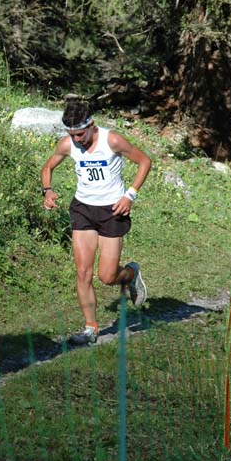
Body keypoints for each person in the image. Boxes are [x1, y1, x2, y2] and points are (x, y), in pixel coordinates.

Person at [41, 95, 152, 344]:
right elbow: (47, 167)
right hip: (83, 209)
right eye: (72, 135)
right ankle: (90, 328)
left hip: (112, 211)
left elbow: (145, 161)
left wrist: (130, 195)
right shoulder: (68, 144)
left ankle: (130, 275)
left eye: (80, 134)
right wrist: (47, 191)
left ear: (92, 125)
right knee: (83, 272)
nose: (77, 140)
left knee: (107, 276)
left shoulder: (112, 140)